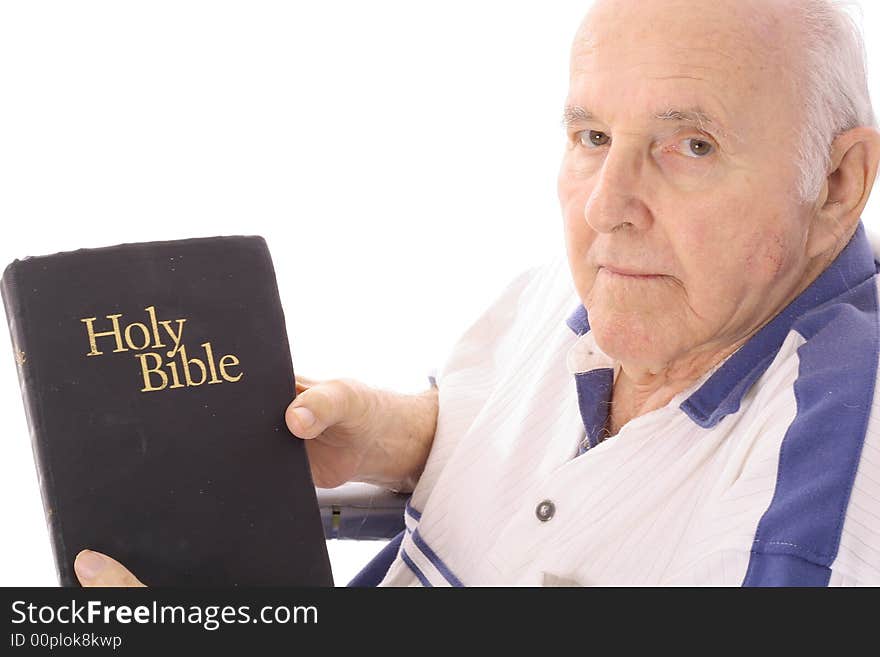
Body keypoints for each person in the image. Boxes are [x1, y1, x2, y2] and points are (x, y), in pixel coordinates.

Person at [73, 0, 880, 587]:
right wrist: (396, 436)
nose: (605, 205)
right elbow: (503, 419)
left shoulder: (840, 469)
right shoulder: (591, 298)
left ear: (838, 183)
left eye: (691, 145)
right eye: (592, 137)